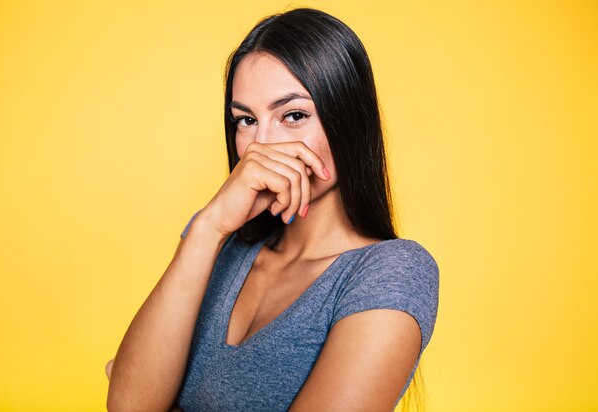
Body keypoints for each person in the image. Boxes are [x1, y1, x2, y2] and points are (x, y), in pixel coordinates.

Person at [106, 7, 439, 412]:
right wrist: (208, 227)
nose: (262, 145)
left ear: (348, 119)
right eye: (245, 120)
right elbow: (128, 404)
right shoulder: (218, 246)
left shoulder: (390, 271)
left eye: (293, 115)